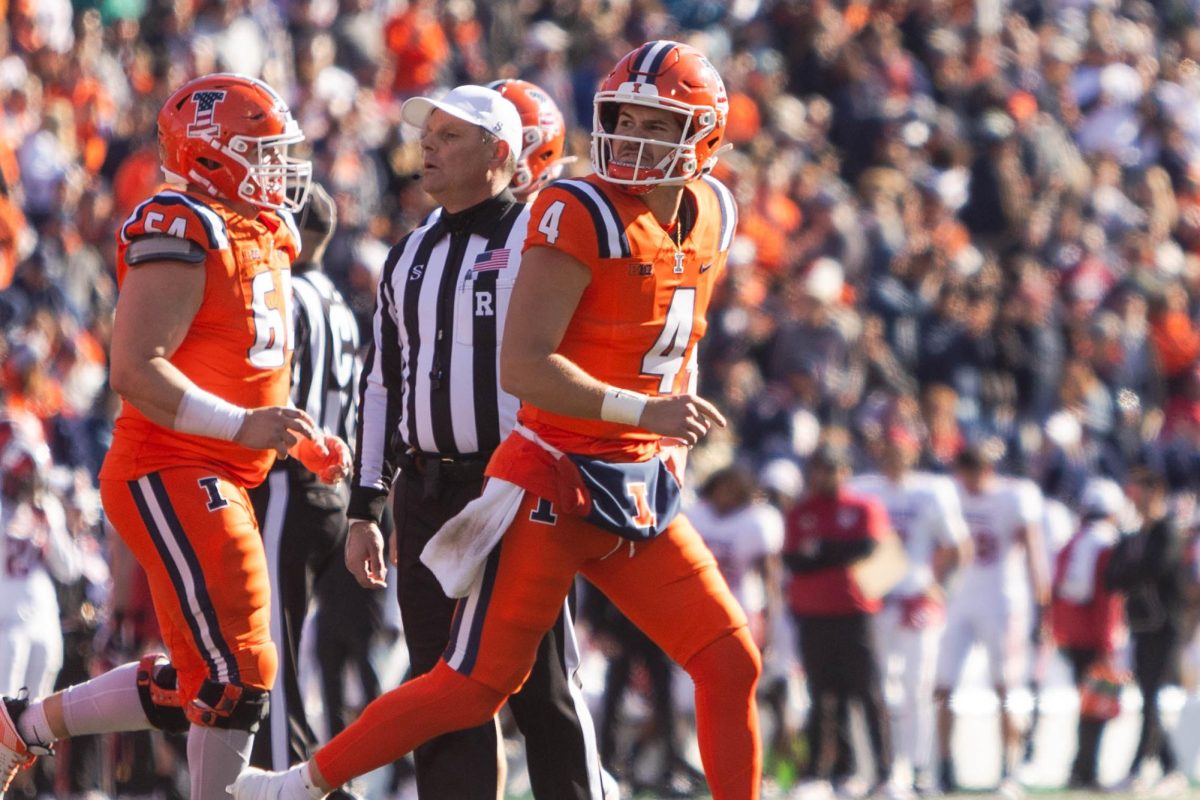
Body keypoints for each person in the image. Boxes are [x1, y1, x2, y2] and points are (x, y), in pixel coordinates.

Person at [232, 40, 762, 800]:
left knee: (728, 660)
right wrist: (370, 502)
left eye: (658, 123)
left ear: (703, 134)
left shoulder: (714, 209)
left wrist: (661, 435)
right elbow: (524, 370)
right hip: (553, 481)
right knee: (466, 688)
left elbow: (682, 341)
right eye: (624, 117)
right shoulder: (573, 209)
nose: (635, 137)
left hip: (637, 480)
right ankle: (297, 785)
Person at [0, 73, 352, 797]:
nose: (279, 167)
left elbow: (244, 362)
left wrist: (295, 439)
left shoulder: (260, 227)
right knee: (241, 672)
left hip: (217, 469)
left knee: (203, 679)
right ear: (212, 156)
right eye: (261, 150)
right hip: (170, 464)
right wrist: (244, 425)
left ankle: (20, 728)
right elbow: (134, 368)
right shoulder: (182, 220)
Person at [338, 81, 609, 800]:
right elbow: (382, 385)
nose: (427, 147)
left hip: (515, 485)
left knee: (539, 686)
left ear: (500, 152)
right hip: (425, 488)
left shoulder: (538, 238)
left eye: (449, 136)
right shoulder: (408, 253)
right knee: (436, 692)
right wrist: (365, 504)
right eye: (427, 135)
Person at [245, 182, 361, 792]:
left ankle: (300, 782)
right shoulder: (336, 298)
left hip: (292, 480)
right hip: (329, 488)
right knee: (283, 647)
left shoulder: (286, 291)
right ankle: (308, 775)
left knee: (276, 652)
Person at [848, 423, 968, 795]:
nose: (894, 458)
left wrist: (942, 589)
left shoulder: (932, 490)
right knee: (883, 689)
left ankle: (919, 767)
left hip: (917, 598)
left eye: (901, 451)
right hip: (877, 598)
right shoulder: (863, 489)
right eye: (888, 451)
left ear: (914, 453)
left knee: (918, 686)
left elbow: (958, 547)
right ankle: (890, 766)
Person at [934, 442, 1049, 796]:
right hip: (958, 601)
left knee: (1005, 687)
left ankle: (1008, 769)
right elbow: (940, 550)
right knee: (943, 686)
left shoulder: (1014, 496)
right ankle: (944, 766)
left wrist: (1042, 604)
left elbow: (1033, 549)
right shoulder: (948, 495)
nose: (967, 482)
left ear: (988, 470)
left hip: (1001, 601)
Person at [784, 442, 896, 800]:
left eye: (830, 469)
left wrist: (822, 551)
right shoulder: (800, 512)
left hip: (855, 612)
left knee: (867, 694)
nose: (823, 476)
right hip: (813, 614)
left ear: (844, 472)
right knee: (821, 696)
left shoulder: (863, 507)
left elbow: (868, 549)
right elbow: (795, 561)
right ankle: (821, 773)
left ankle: (884, 775)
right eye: (818, 469)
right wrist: (836, 552)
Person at [1105, 462, 1189, 796]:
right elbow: (1112, 578)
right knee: (1147, 695)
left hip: (1167, 624)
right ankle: (1171, 768)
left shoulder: (1167, 531)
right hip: (1141, 624)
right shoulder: (1132, 536)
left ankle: (1140, 768)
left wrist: (1133, 571)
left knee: (1152, 695)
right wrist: (1134, 571)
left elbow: (1160, 566)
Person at [1049, 478, 1125, 792]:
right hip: (1096, 638)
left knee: (1088, 707)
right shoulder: (1108, 544)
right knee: (1097, 708)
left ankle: (1081, 769)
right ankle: (1085, 771)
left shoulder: (1073, 542)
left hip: (1072, 636)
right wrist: (1108, 643)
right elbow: (1109, 598)